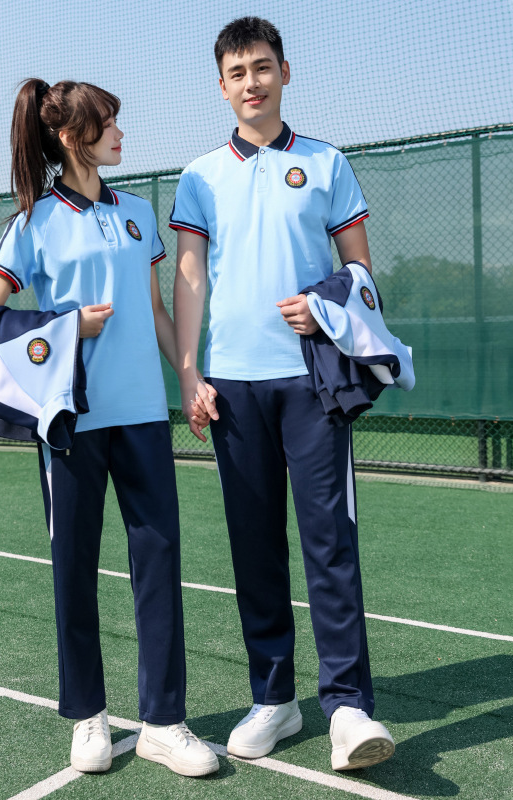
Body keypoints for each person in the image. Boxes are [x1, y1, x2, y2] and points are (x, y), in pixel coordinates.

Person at [0, 78, 218, 778]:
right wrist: (65, 325)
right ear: (71, 137)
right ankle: (88, 717)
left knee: (159, 564)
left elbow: (157, 311)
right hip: (70, 426)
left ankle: (165, 722)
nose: (120, 134)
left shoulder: (138, 213)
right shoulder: (32, 223)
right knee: (73, 570)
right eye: (108, 123)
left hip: (143, 418)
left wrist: (189, 378)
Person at [171, 18, 395, 771]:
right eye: (237, 72)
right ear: (222, 86)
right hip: (232, 387)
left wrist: (323, 307)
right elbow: (190, 276)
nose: (252, 82)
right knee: (254, 546)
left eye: (262, 67)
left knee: (330, 540)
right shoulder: (200, 175)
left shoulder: (328, 163)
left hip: (312, 382)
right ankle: (274, 699)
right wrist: (190, 374)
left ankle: (347, 707)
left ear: (285, 73)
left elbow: (360, 273)